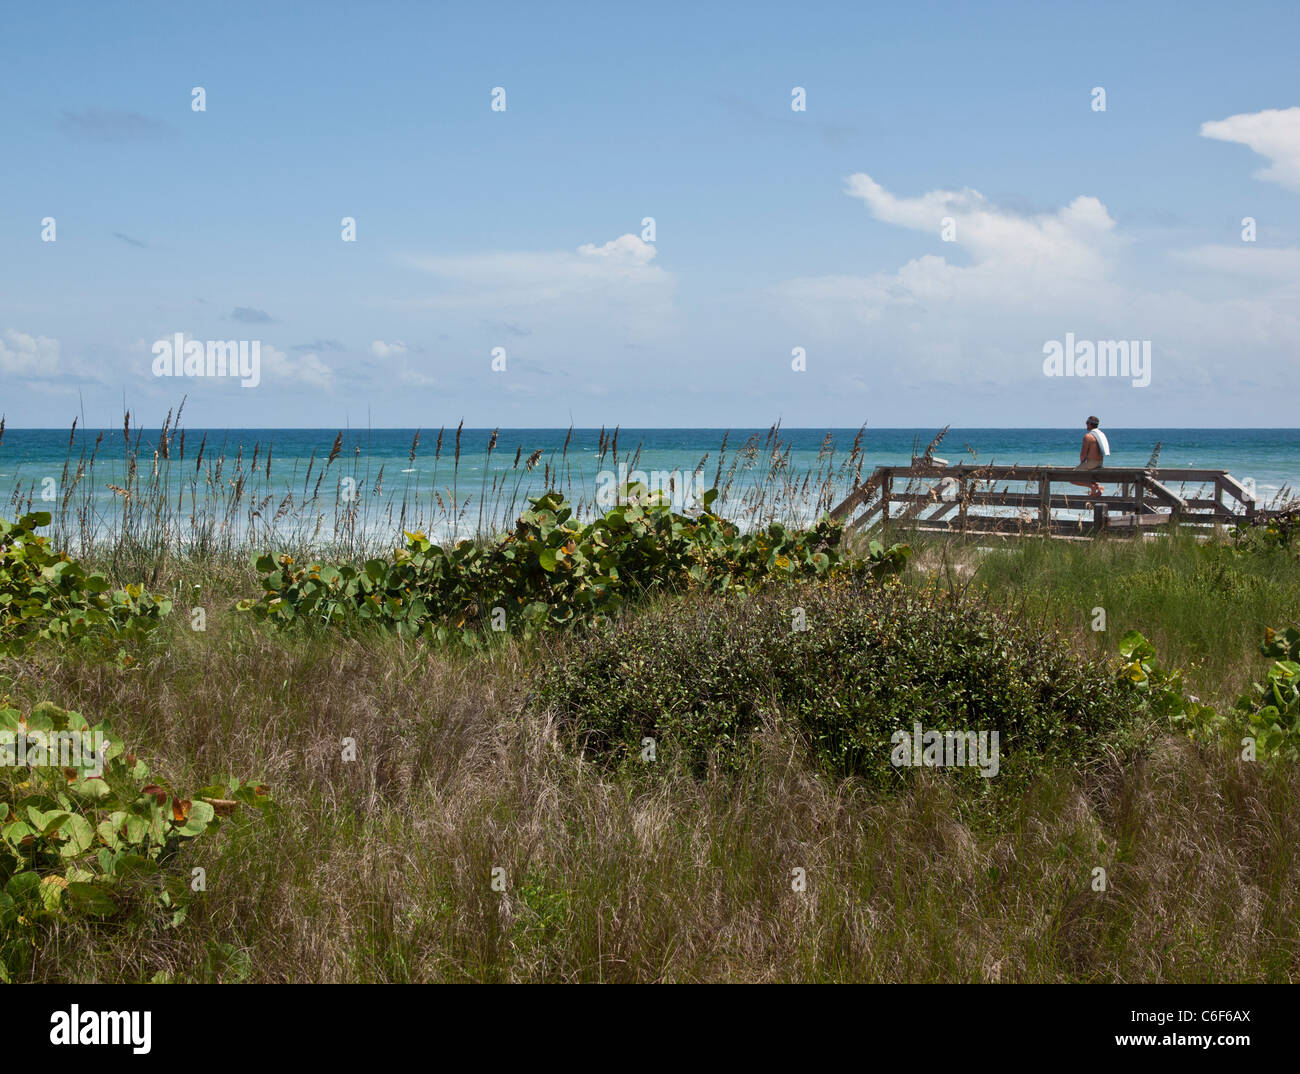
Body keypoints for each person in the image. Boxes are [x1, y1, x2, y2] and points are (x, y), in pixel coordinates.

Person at [1071, 416, 1108, 499]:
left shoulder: (1088, 436)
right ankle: (1097, 488)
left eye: (1087, 423)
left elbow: (1083, 454)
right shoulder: (1101, 434)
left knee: (1071, 478)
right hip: (1100, 462)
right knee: (1089, 475)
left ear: (1089, 424)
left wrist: (1081, 463)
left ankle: (1091, 486)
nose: (1086, 425)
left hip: (1091, 463)